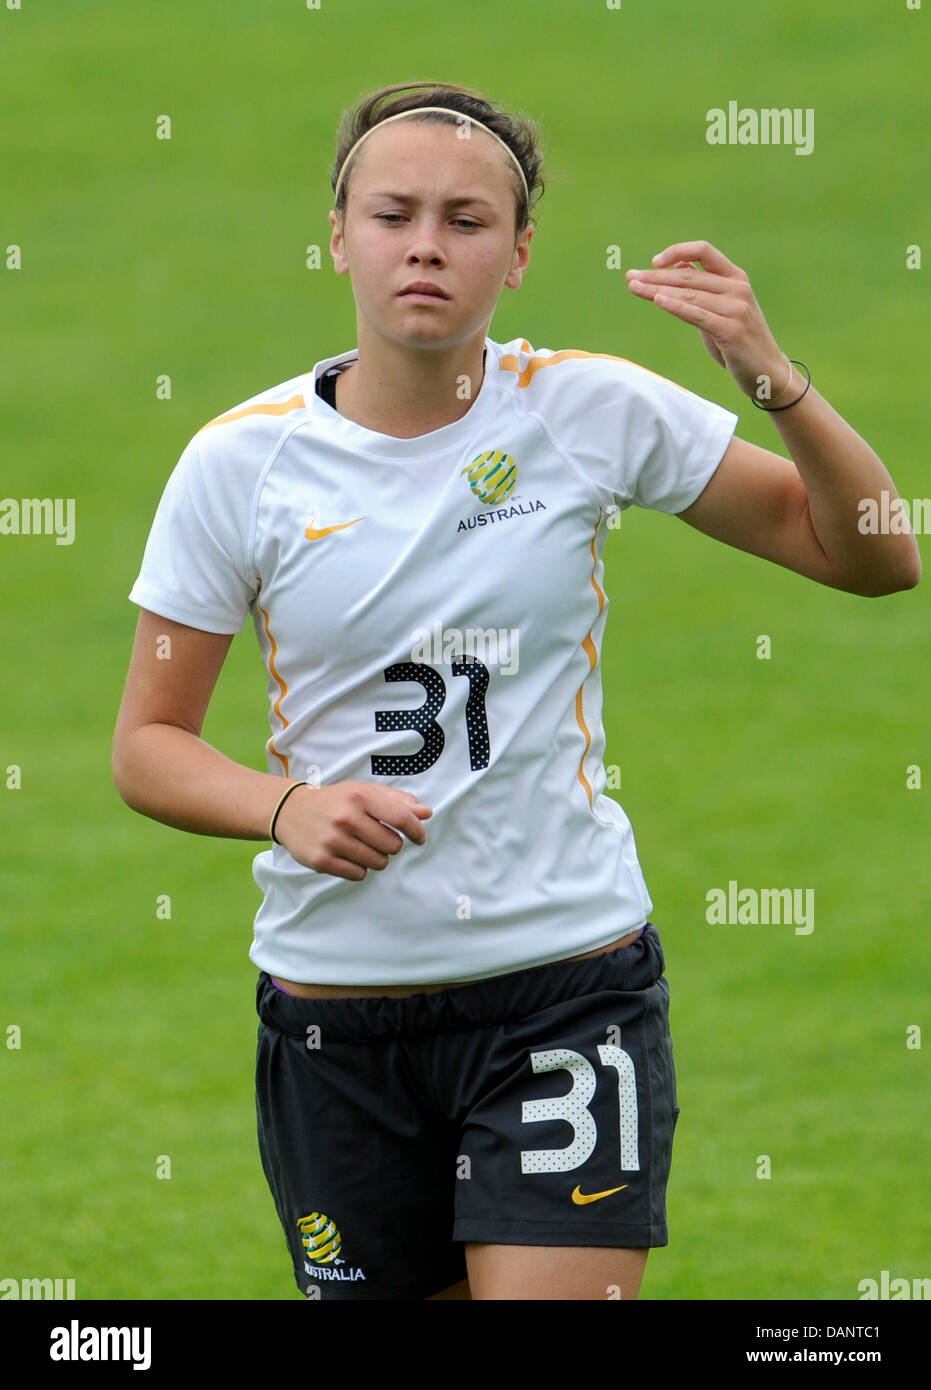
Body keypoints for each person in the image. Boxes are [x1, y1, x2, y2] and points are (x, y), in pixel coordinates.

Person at [111, 79, 920, 1302]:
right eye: (392, 214)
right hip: (339, 1017)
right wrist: (284, 807)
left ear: (521, 252)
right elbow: (149, 746)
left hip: (563, 986)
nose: (426, 243)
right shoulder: (239, 464)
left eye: (466, 219)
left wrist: (769, 373)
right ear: (337, 236)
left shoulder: (586, 410)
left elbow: (871, 554)